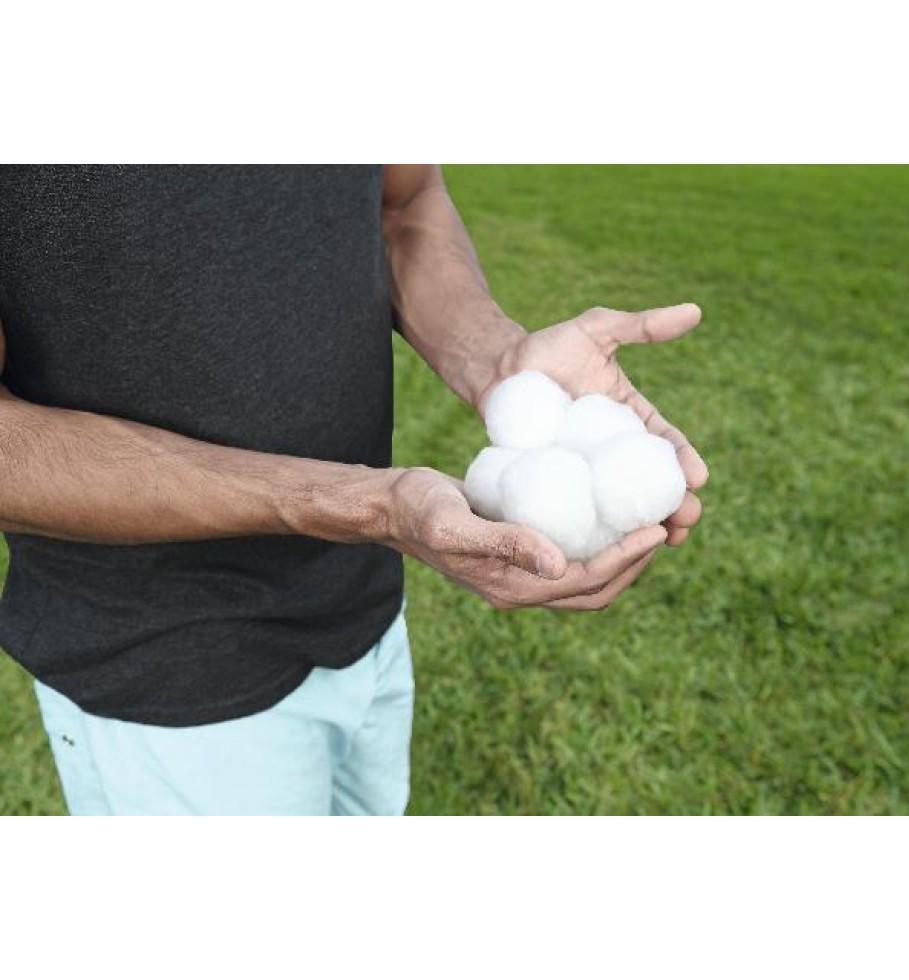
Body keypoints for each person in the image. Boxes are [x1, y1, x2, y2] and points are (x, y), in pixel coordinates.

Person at [0, 165, 707, 816]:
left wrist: (502, 367)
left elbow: (403, 202)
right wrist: (366, 506)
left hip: (360, 602)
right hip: (163, 668)